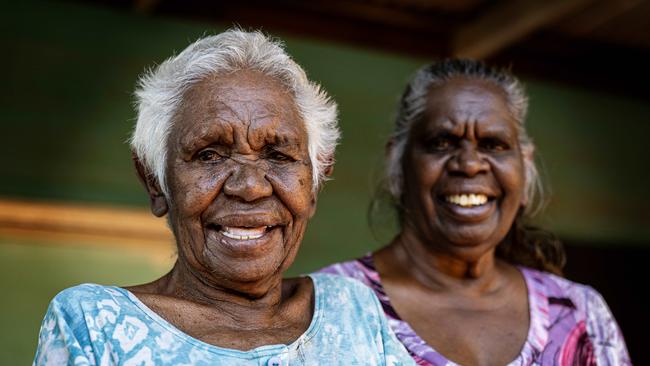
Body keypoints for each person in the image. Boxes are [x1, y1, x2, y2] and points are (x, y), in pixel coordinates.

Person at [33, 29, 415, 366]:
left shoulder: (352, 310)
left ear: (314, 182)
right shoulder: (95, 326)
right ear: (155, 181)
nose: (250, 186)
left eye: (278, 155)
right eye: (209, 155)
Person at [321, 60, 631, 366]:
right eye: (441, 142)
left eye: (494, 145)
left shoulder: (580, 315)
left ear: (525, 167)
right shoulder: (330, 308)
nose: (469, 164)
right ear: (399, 166)